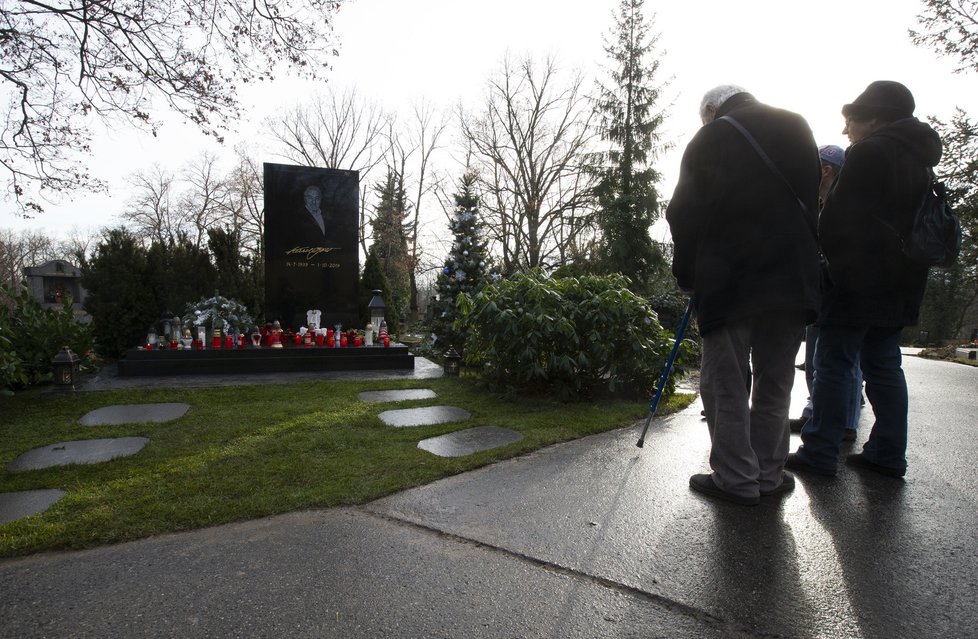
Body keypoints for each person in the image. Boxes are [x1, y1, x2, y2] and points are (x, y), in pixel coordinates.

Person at [666, 85, 821, 505]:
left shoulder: (711, 136)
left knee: (726, 380)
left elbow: (684, 211)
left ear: (713, 110)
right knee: (776, 380)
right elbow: (811, 201)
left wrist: (688, 277)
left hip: (730, 277)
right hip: (792, 278)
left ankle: (736, 478)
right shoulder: (797, 125)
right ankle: (769, 475)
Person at [787, 81, 942, 479]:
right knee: (885, 366)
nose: (846, 131)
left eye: (851, 120)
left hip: (856, 282)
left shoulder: (869, 152)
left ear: (875, 117)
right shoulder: (920, 159)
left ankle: (820, 450)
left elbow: (839, 221)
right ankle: (888, 453)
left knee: (833, 363)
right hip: (904, 282)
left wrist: (826, 259)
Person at [793, 145, 863, 442]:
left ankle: (843, 422)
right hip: (819, 288)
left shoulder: (844, 203)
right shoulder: (821, 203)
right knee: (817, 359)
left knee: (841, 360)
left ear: (826, 170)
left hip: (839, 290)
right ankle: (816, 414)